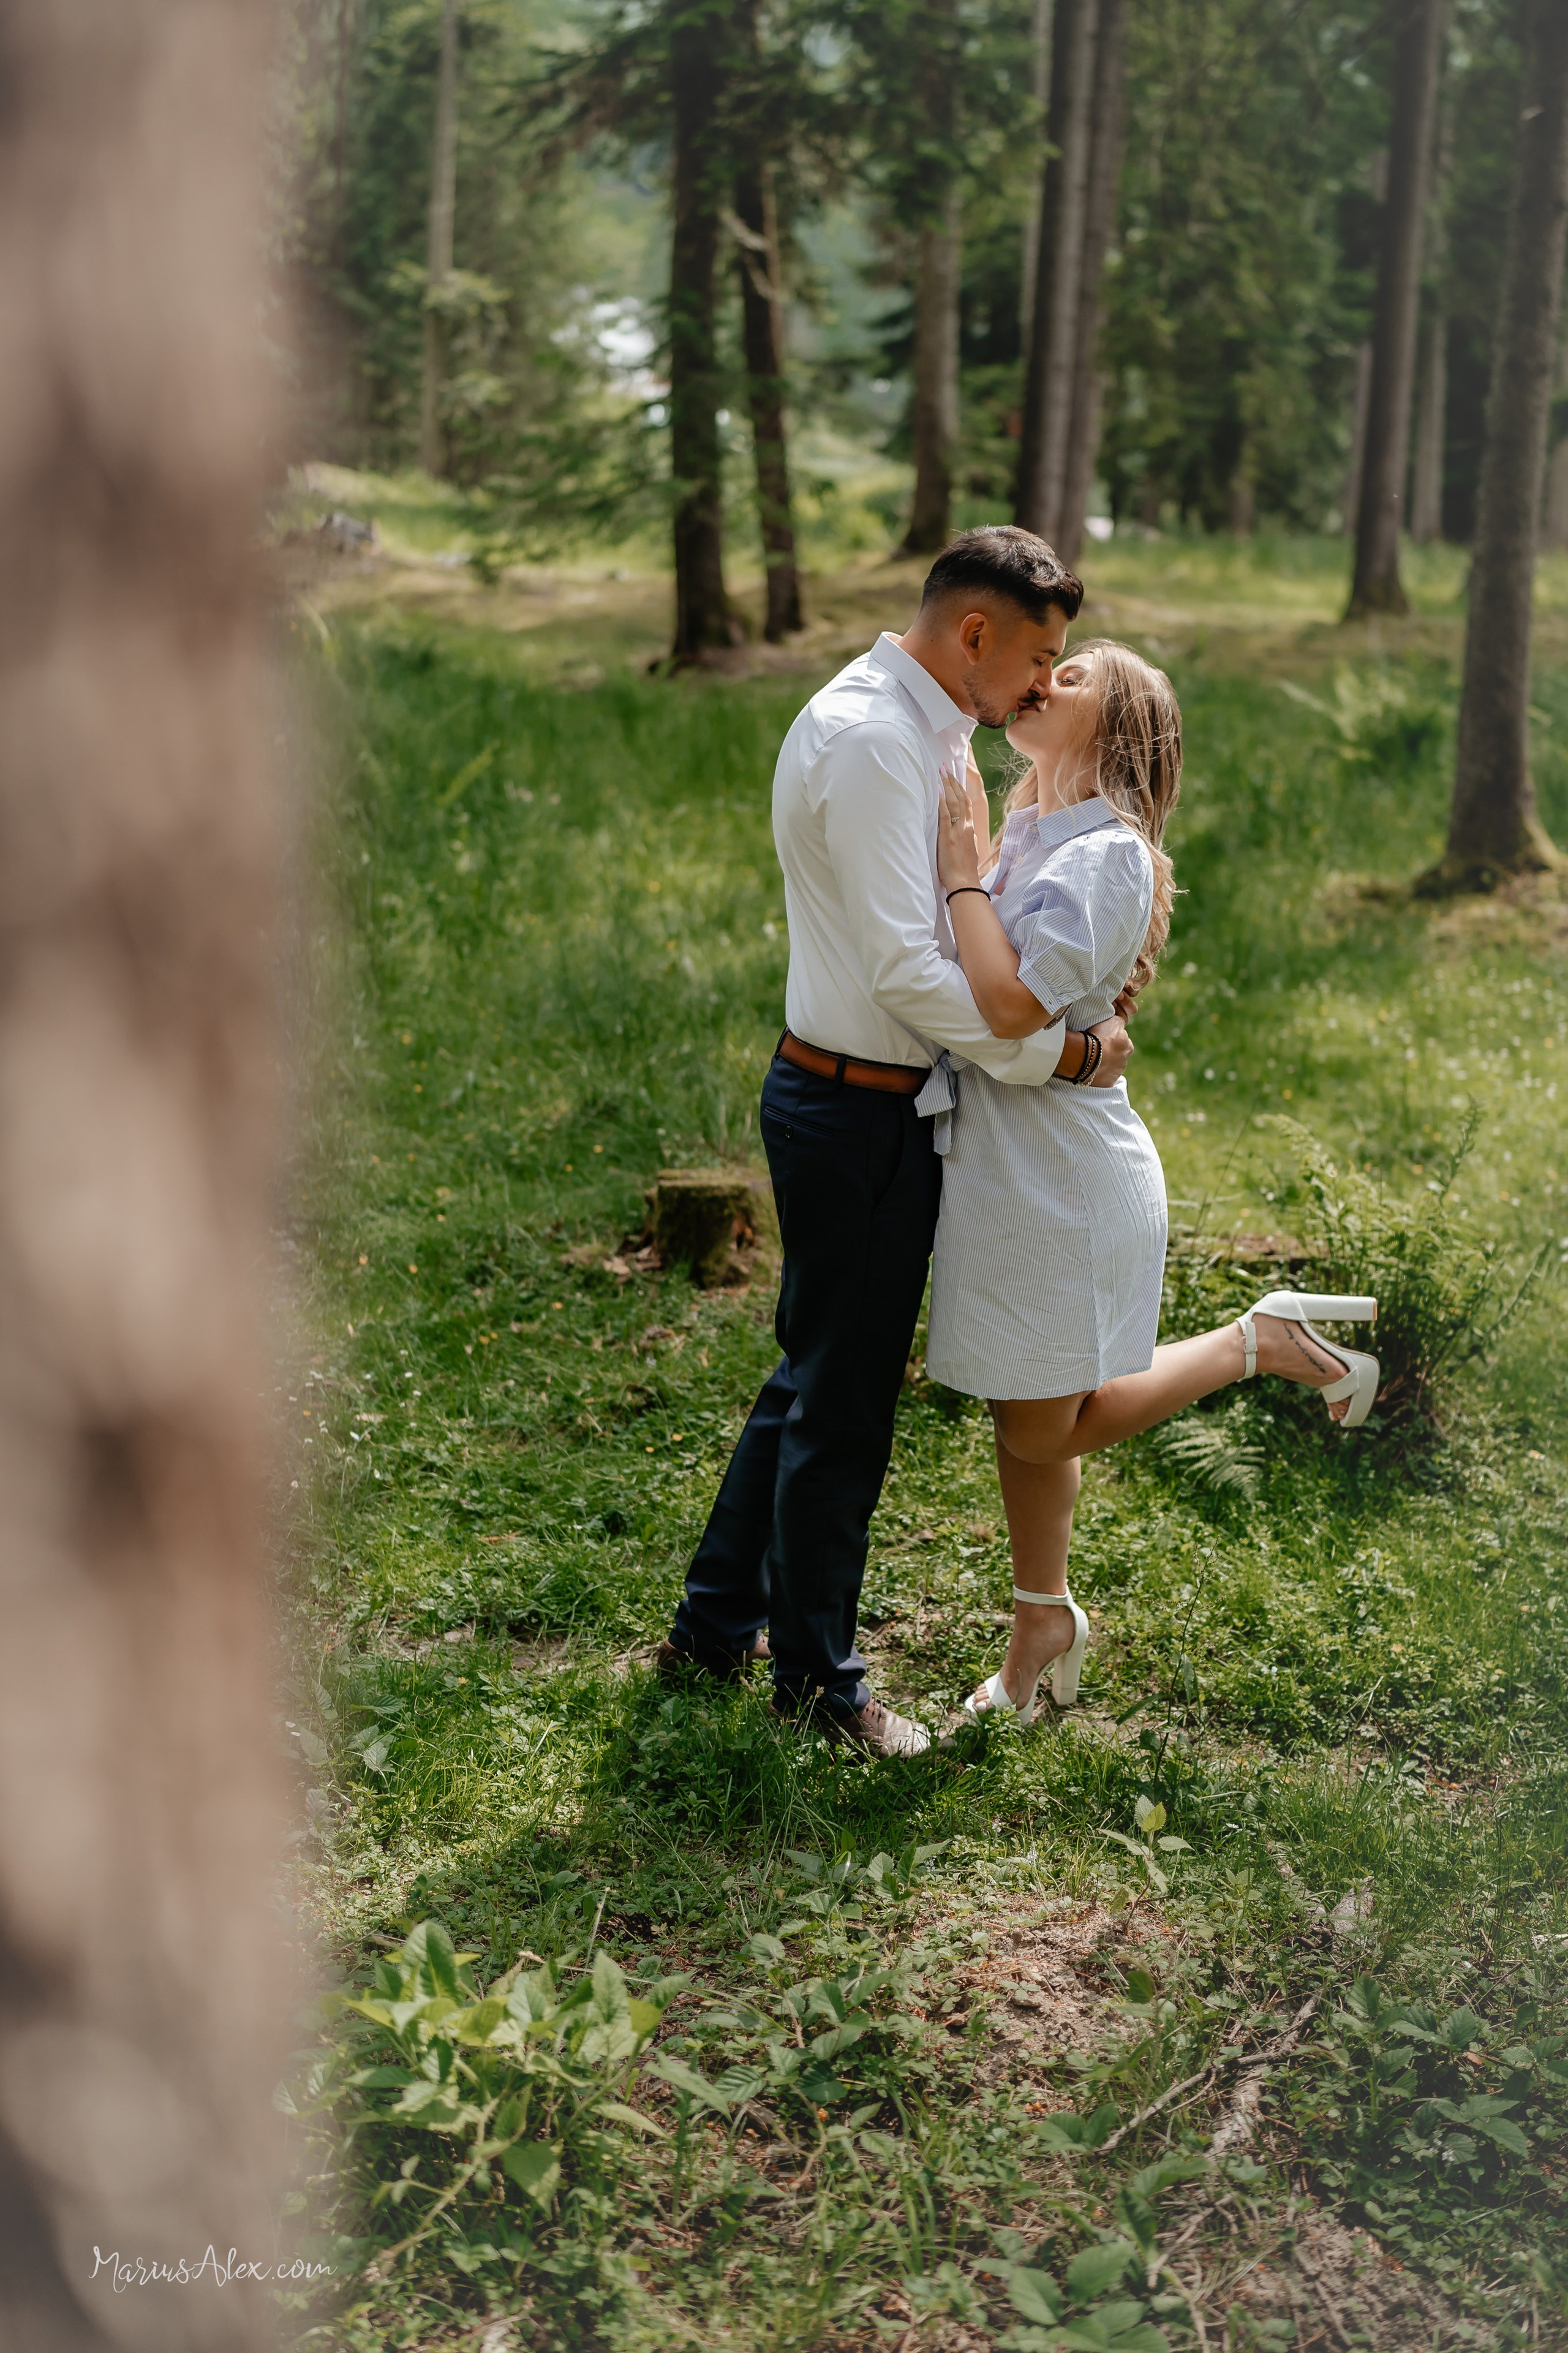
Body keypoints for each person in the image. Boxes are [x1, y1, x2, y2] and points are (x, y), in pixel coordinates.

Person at [656, 527, 1136, 1756]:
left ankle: (712, 1629)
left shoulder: (925, 728)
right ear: (972, 632)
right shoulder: (874, 737)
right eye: (1036, 656)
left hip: (864, 1097)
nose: (1042, 684)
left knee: (808, 1376)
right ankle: (820, 1689)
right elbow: (906, 968)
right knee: (843, 1407)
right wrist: (1057, 1057)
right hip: (855, 1104)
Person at [927, 638, 1380, 1725]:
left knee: (1044, 1425)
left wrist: (957, 871)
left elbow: (1008, 1007)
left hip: (1064, 1181)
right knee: (1022, 1412)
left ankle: (1258, 1342)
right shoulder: (1031, 832)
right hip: (1013, 1165)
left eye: (1074, 674)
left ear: (1119, 731)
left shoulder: (1108, 856)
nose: (1047, 676)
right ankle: (1044, 1618)